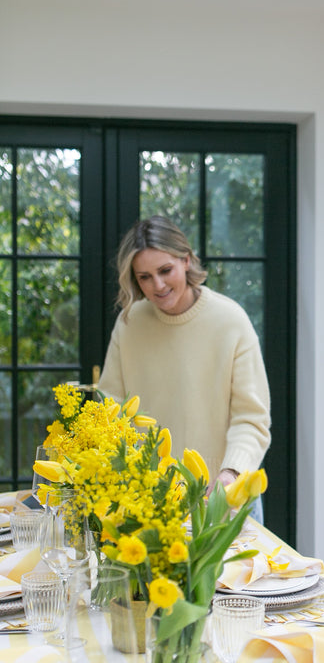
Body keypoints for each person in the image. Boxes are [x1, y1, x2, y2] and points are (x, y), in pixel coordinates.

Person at [99, 215, 271, 507]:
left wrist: (231, 473)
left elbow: (252, 419)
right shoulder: (130, 323)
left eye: (165, 270)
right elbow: (110, 408)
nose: (158, 285)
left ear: (187, 260)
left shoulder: (231, 321)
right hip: (150, 496)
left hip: (222, 495)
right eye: (144, 277)